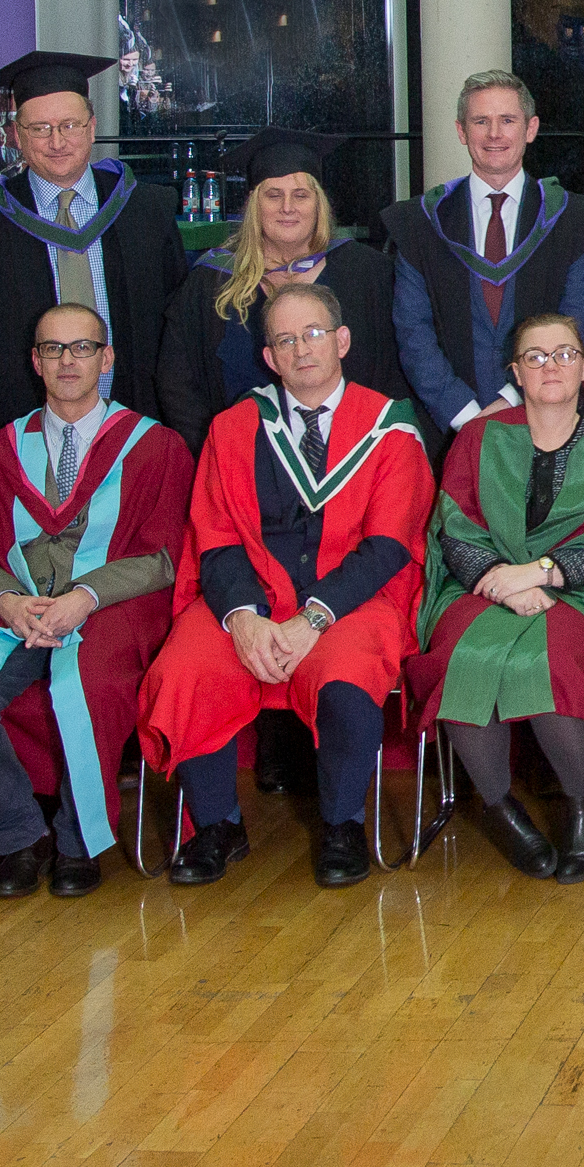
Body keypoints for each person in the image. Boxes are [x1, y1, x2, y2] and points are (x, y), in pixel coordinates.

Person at [136, 282, 436, 889]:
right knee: (187, 666)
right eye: (285, 340)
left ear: (342, 341)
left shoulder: (391, 429)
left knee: (348, 679)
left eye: (314, 334)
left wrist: (314, 618)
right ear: (268, 357)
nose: (302, 350)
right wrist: (243, 617)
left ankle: (343, 824)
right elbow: (214, 538)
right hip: (250, 598)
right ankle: (216, 824)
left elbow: (388, 547)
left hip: (350, 602)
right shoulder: (234, 427)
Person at [0, 303, 194, 898]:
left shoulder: (155, 448)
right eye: (54, 350)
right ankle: (17, 833)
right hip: (18, 612)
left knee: (85, 684)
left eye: (83, 347)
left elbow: (163, 557)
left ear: (106, 357)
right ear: (35, 361)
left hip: (110, 609)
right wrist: (7, 602)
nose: (69, 361)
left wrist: (85, 597)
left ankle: (77, 841)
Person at [405, 310, 584, 883]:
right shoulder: (478, 438)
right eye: (536, 356)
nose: (552, 366)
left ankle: (581, 806)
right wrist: (501, 578)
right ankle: (498, 807)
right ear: (515, 372)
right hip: (482, 585)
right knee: (458, 657)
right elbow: (454, 524)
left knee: (547, 658)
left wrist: (539, 574)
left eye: (565, 354)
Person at [0, 49, 191, 443]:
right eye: (39, 128)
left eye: (69, 125)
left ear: (91, 128)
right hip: (25, 439)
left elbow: (179, 338)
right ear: (18, 137)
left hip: (138, 433)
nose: (57, 141)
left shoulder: (146, 211)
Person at [157, 129, 410, 451]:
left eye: (301, 195)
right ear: (252, 203)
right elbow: (177, 384)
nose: (287, 207)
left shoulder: (368, 273)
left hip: (352, 460)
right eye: (273, 195)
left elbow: (395, 371)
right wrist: (214, 454)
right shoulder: (212, 281)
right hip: (239, 460)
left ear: (319, 203)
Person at [386, 69, 584, 446]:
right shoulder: (422, 222)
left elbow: (576, 321)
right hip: (448, 429)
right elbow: (413, 331)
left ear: (530, 129)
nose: (494, 134)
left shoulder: (572, 220)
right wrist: (466, 419)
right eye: (481, 121)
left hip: (548, 419)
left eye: (507, 121)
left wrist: (513, 401)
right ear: (462, 132)